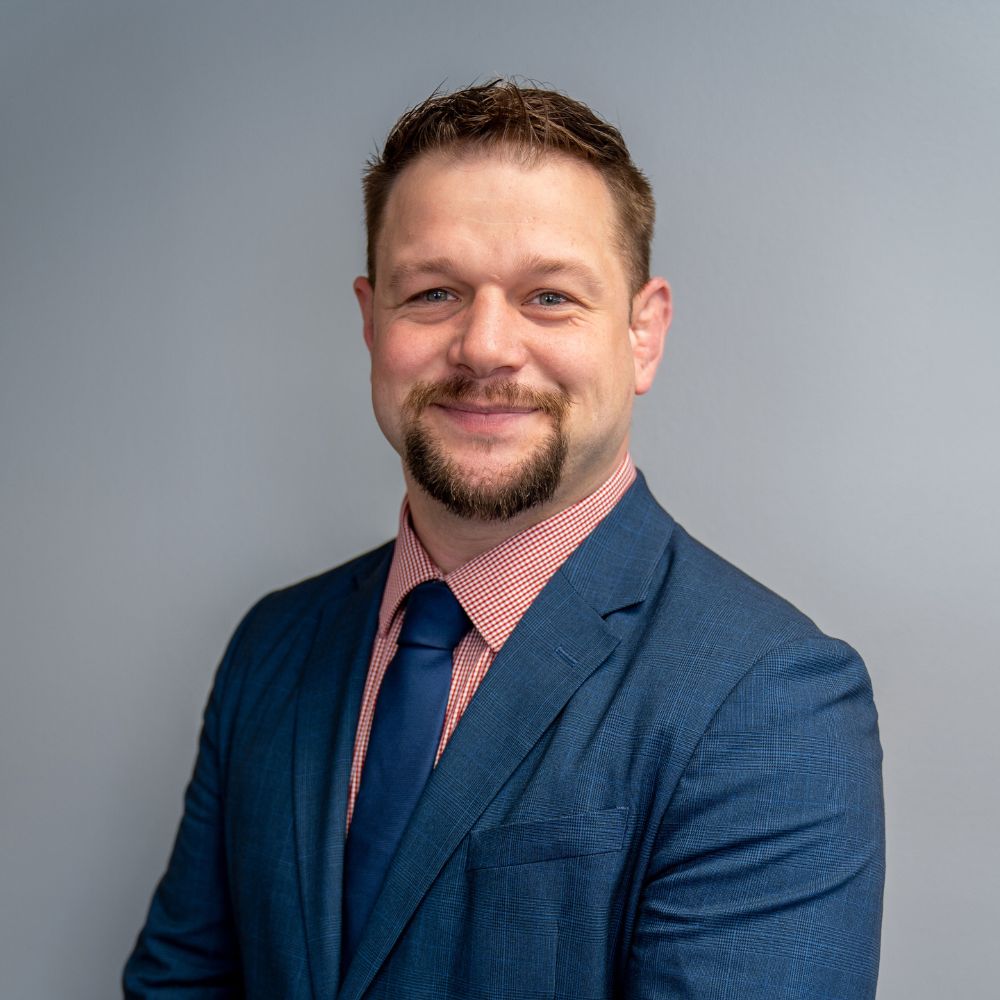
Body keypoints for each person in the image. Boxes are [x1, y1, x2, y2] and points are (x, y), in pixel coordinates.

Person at [123, 80, 884, 999]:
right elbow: (181, 985)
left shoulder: (768, 697)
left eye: (550, 297)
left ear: (643, 336)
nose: (485, 347)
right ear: (371, 322)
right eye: (434, 292)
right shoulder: (273, 648)